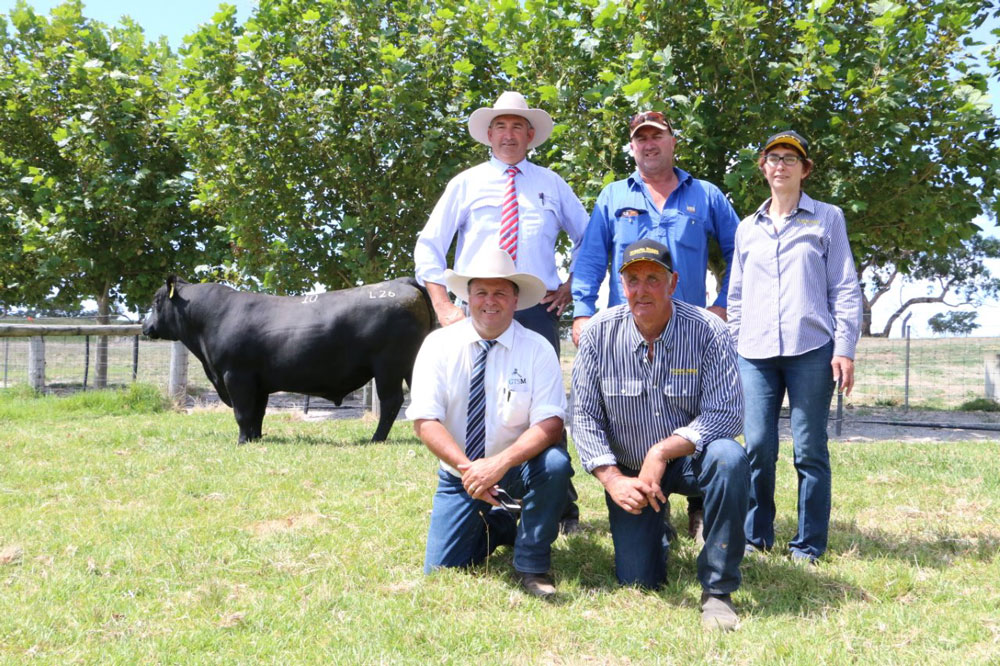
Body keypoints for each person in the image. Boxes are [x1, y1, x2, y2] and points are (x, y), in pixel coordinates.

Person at [414, 90, 589, 530]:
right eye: (501, 126)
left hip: (535, 308)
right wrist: (442, 306)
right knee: (481, 404)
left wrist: (571, 286)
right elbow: (429, 247)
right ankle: (476, 490)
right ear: (488, 134)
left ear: (531, 135)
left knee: (545, 412)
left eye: (518, 127)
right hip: (477, 311)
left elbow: (590, 239)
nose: (509, 135)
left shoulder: (552, 183)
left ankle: (558, 502)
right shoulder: (465, 184)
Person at [571, 109, 741, 540]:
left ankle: (702, 509)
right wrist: (582, 311)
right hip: (629, 336)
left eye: (657, 137)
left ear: (672, 142)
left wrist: (723, 304)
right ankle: (649, 503)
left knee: (702, 420)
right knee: (635, 415)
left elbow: (742, 254)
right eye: (640, 138)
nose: (648, 144)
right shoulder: (612, 197)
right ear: (632, 147)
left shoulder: (706, 195)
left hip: (692, 338)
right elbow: (590, 260)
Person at [571, 239, 749, 631]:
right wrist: (613, 479)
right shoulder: (599, 334)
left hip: (690, 462)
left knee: (730, 459)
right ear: (621, 286)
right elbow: (583, 417)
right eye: (632, 279)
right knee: (639, 580)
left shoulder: (709, 330)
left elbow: (728, 414)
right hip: (633, 476)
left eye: (653, 279)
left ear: (673, 283)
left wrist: (663, 450)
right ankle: (657, 527)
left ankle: (718, 590)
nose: (641, 289)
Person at [727, 130, 863, 564]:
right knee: (757, 446)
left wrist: (844, 348)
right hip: (754, 353)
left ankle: (808, 545)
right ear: (763, 167)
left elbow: (845, 287)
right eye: (773, 157)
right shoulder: (747, 228)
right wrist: (734, 345)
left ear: (805, 170)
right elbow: (735, 295)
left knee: (809, 449)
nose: (781, 165)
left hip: (812, 350)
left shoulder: (827, 219)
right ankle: (755, 537)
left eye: (791, 158)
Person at [406, 248, 573, 598]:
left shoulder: (538, 348)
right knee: (443, 571)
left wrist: (498, 465)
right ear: (468, 298)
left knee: (555, 464)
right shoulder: (438, 346)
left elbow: (551, 424)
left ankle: (532, 564)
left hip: (517, 469)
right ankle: (500, 527)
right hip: (460, 475)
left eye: (500, 293)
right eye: (481, 292)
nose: (490, 301)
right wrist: (471, 471)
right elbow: (424, 421)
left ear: (515, 300)